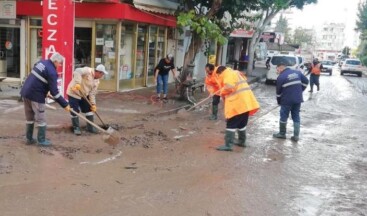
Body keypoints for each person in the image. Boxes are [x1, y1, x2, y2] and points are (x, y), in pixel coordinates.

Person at [20, 52, 71, 146]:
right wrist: (65, 104)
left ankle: (29, 138)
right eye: (59, 63)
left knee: (29, 117)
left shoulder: (41, 63)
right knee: (41, 119)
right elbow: (55, 92)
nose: (59, 66)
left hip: (26, 93)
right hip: (36, 96)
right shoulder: (52, 72)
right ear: (55, 61)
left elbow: (38, 79)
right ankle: (41, 141)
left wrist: (45, 91)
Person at [214, 66, 260, 151]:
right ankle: (242, 141)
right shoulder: (235, 73)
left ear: (220, 73)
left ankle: (228, 145)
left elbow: (229, 87)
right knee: (241, 124)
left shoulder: (228, 74)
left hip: (237, 104)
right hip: (246, 103)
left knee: (231, 124)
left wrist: (221, 92)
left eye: (218, 75)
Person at [66, 64, 108, 135]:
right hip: (73, 92)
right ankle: (76, 127)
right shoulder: (88, 71)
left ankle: (90, 127)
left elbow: (92, 93)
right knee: (74, 110)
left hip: (84, 94)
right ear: (99, 72)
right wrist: (78, 83)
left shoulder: (97, 81)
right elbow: (77, 71)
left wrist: (93, 104)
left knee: (89, 109)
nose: (102, 76)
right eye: (102, 74)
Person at [273, 60, 309, 142]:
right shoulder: (297, 72)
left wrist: (279, 102)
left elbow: (278, 93)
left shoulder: (281, 77)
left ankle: (282, 134)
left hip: (286, 100)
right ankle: (296, 136)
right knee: (296, 116)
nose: (277, 71)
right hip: (297, 99)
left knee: (283, 116)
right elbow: (306, 81)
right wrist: (300, 90)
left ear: (280, 68)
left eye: (277, 69)